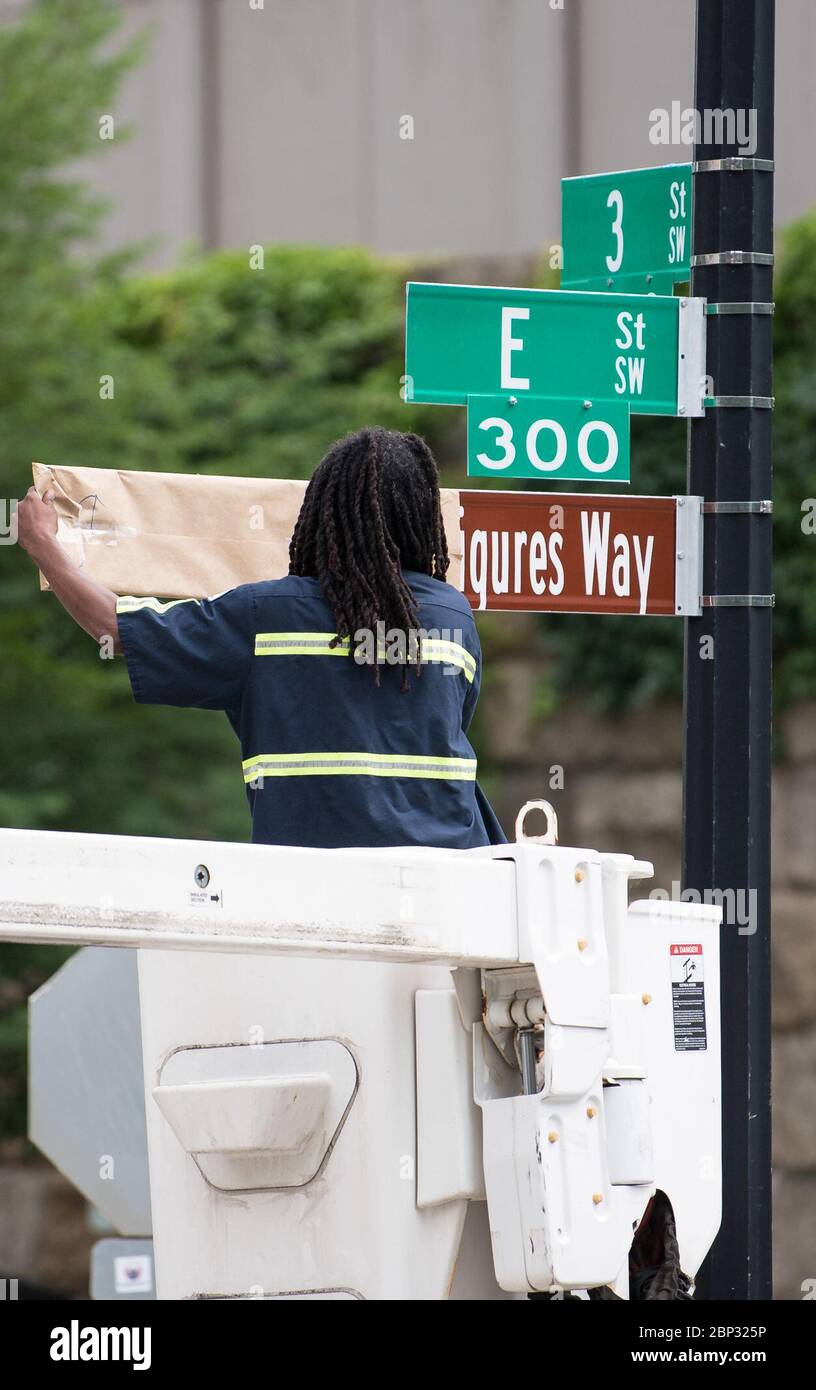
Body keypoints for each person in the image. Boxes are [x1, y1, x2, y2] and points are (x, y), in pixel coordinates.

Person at [16, 427, 506, 850]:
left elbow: (114, 628)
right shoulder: (453, 618)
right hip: (454, 883)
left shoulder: (262, 617)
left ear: (321, 511)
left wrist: (44, 548)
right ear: (423, 517)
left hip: (310, 886)